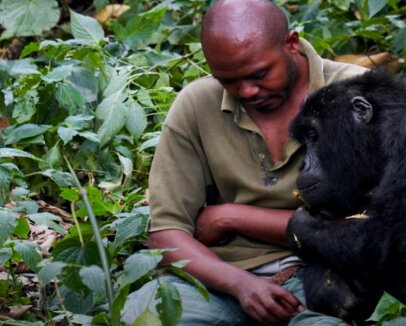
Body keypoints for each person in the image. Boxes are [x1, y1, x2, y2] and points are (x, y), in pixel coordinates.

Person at [122, 0, 366, 324]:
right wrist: (240, 284)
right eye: (227, 80)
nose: (247, 91)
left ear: (291, 44)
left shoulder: (359, 96)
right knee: (146, 317)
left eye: (259, 74)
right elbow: (166, 233)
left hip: (327, 280)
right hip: (221, 279)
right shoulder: (198, 104)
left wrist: (231, 216)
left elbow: (374, 230)